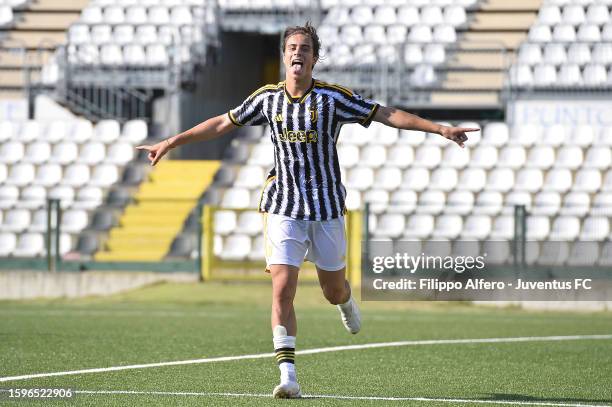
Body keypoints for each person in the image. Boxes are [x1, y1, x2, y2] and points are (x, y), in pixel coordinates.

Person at [137, 22, 477, 399]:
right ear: (284, 56)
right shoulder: (267, 98)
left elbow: (386, 114)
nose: (297, 53)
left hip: (327, 207)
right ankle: (288, 375)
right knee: (282, 287)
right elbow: (221, 122)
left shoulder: (332, 99)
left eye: (305, 48)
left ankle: (345, 300)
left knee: (332, 290)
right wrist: (171, 141)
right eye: (291, 47)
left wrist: (439, 129)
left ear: (315, 58)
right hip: (282, 205)